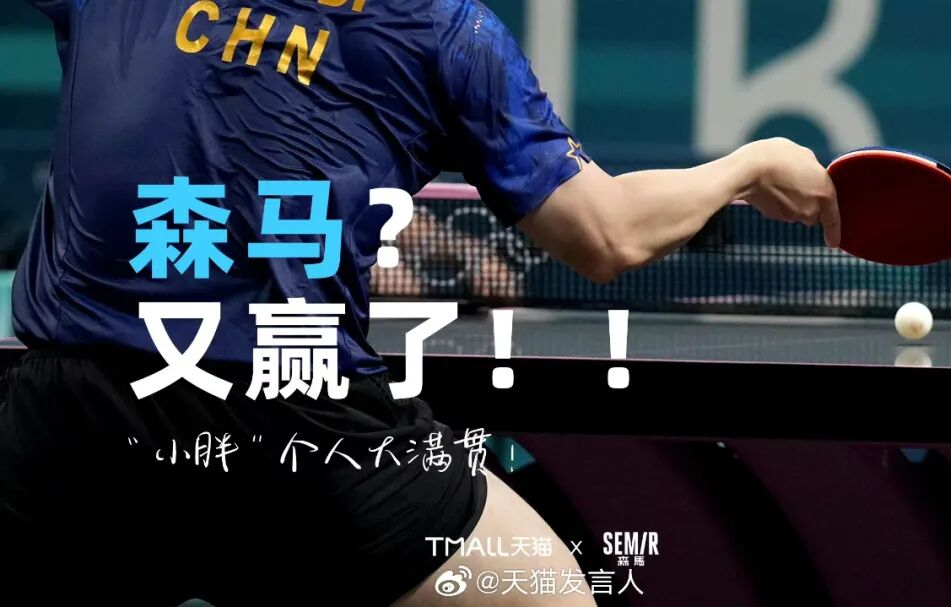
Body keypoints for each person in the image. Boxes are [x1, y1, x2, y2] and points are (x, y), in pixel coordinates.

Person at [0, 0, 840, 605]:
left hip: (69, 425)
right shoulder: (444, 29)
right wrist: (752, 165)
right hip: (295, 431)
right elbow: (605, 234)